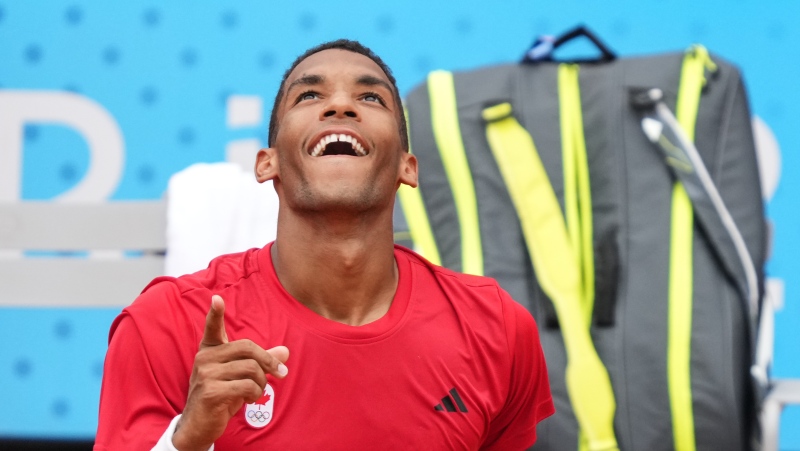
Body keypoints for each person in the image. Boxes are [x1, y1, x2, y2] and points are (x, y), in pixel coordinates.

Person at [94, 39, 554, 451]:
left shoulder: (497, 328)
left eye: (370, 97)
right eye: (309, 95)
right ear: (266, 164)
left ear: (408, 167)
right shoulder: (166, 323)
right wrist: (188, 440)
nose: (340, 106)